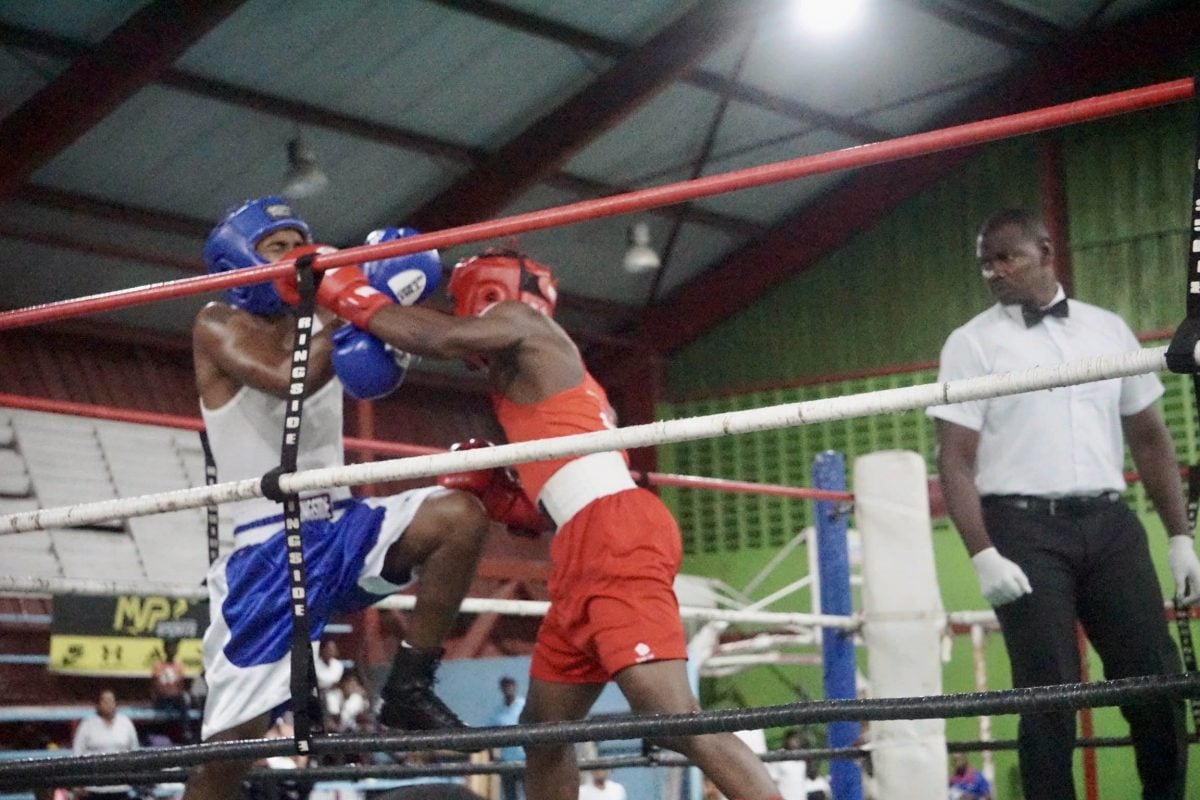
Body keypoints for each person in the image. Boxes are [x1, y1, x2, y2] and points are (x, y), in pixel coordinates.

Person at [292, 247, 782, 800]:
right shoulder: (535, 383)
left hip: (614, 531)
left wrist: (345, 289)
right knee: (544, 734)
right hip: (581, 542)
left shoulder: (526, 324)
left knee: (674, 720)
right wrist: (509, 502)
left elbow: (441, 340)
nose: (463, 314)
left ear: (490, 294)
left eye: (463, 302)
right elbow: (558, 495)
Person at [183, 197, 490, 800]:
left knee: (460, 514)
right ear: (239, 261)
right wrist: (361, 303)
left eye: (305, 240)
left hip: (343, 525)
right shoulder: (217, 322)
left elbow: (377, 365)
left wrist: (386, 305)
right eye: (280, 246)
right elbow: (286, 378)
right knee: (230, 755)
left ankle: (409, 685)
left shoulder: (327, 316)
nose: (301, 255)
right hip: (266, 549)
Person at [928, 208, 1199, 800]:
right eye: (986, 263)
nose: (995, 272)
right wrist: (981, 554)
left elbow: (1150, 436)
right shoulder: (972, 342)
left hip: (1111, 524)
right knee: (1049, 695)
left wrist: (1180, 536)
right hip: (1022, 530)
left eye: (1007, 257)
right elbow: (953, 458)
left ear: (1045, 251)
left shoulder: (1107, 329)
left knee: (1156, 683)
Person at [72, 689, 140, 800]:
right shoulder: (87, 724)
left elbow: (135, 751)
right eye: (105, 701)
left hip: (121, 786)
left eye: (111, 701)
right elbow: (77, 753)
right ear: (98, 704)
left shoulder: (125, 723)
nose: (108, 704)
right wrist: (78, 783)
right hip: (94, 787)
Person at [488, 676, 526, 800]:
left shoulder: (524, 706)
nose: (508, 689)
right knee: (510, 795)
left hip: (525, 759)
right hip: (507, 761)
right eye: (505, 686)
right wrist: (492, 755)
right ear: (501, 689)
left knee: (529, 792)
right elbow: (489, 734)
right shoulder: (498, 712)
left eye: (510, 686)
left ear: (515, 687)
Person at [150, 638, 192, 743]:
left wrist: (176, 694)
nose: (171, 650)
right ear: (165, 649)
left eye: (174, 648)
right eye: (169, 648)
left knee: (183, 700)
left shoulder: (179, 666)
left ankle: (185, 732)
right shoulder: (158, 666)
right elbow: (155, 685)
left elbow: (181, 685)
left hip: (175, 699)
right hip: (162, 698)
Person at [766, 729, 808, 800]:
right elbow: (773, 781)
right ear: (787, 739)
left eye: (798, 739)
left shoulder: (802, 758)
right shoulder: (779, 756)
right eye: (794, 738)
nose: (796, 741)